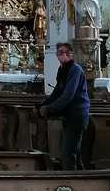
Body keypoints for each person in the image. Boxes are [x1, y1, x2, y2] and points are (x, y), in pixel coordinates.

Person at [37, 42, 90, 170]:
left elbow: (68, 95)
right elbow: (57, 92)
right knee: (74, 151)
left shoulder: (75, 70)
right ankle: (81, 180)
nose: (60, 55)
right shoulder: (63, 69)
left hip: (77, 113)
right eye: (59, 53)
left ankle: (71, 182)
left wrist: (50, 109)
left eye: (63, 52)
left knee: (68, 153)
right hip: (69, 113)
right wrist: (42, 105)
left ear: (70, 54)